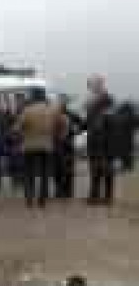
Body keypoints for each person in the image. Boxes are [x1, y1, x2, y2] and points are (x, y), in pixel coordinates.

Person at [14, 87, 67, 208]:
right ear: (44, 96)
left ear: (33, 97)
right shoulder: (53, 110)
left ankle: (29, 198)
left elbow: (17, 128)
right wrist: (59, 136)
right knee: (44, 173)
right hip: (47, 145)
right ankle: (42, 199)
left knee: (28, 173)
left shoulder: (27, 110)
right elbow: (64, 123)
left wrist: (21, 135)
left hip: (29, 145)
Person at [85, 75, 121, 204]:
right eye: (90, 86)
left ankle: (107, 197)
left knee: (107, 171)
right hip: (94, 141)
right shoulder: (92, 101)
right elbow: (89, 122)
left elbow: (111, 120)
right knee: (95, 170)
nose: (91, 88)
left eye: (92, 85)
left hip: (106, 141)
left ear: (100, 84)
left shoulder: (108, 99)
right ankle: (94, 196)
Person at [53, 95, 84, 199]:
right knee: (58, 169)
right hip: (59, 144)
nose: (61, 103)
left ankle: (66, 191)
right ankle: (60, 190)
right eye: (60, 101)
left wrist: (75, 131)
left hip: (66, 144)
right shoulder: (54, 114)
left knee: (66, 168)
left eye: (63, 101)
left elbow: (83, 126)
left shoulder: (72, 114)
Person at [115, 102, 138, 172]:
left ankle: (126, 167)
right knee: (127, 153)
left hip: (122, 139)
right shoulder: (132, 117)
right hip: (127, 139)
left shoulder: (119, 117)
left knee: (124, 154)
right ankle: (128, 167)